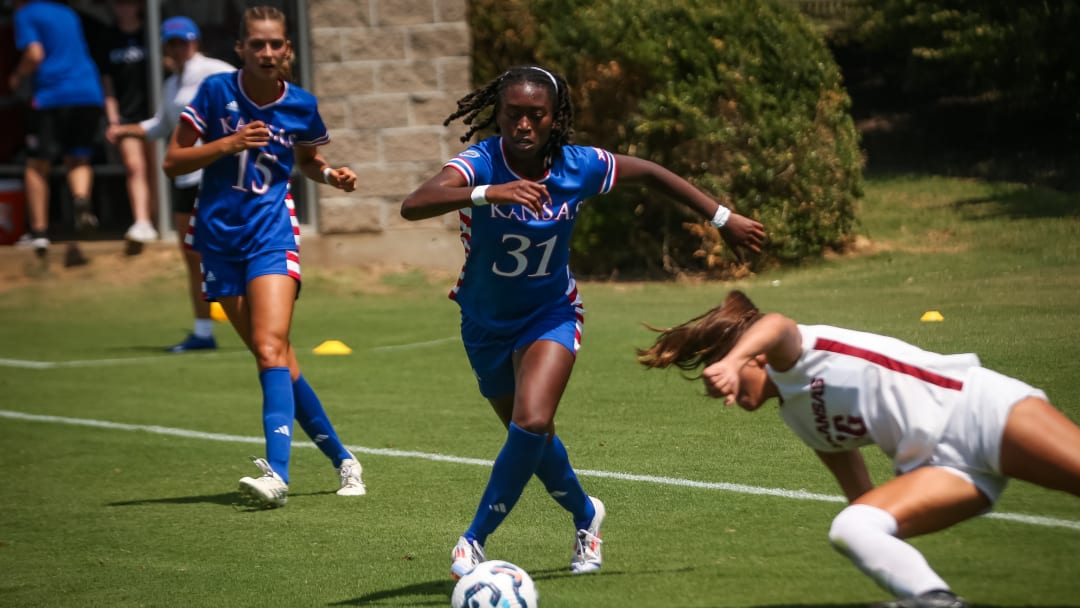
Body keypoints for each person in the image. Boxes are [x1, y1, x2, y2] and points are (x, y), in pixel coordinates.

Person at [399, 65, 766, 579]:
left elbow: (654, 173)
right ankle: (586, 514)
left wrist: (723, 219)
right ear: (497, 115)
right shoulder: (480, 163)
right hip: (483, 321)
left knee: (529, 421)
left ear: (555, 118)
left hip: (550, 313)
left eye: (536, 115)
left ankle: (473, 540)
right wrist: (490, 193)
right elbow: (414, 205)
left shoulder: (580, 166)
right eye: (513, 115)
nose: (523, 125)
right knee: (532, 435)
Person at [636, 290, 1080, 608]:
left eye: (719, 376)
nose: (719, 392)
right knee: (854, 526)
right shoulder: (797, 415)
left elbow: (775, 324)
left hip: (978, 410)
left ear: (754, 357)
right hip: (942, 469)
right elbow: (862, 499)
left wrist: (730, 362)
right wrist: (884, 542)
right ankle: (935, 600)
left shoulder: (795, 353)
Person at [162, 5, 365, 507]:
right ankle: (345, 459)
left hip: (271, 234)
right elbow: (172, 162)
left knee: (271, 347)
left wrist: (330, 175)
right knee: (277, 357)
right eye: (258, 44)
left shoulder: (301, 105)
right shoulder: (214, 94)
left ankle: (276, 473)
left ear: (288, 50)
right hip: (218, 239)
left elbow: (308, 161)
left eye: (276, 44)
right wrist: (227, 143)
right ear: (241, 50)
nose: (268, 52)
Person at [107, 16, 235, 352]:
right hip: (185, 176)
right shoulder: (170, 85)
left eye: (184, 41)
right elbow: (161, 126)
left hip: (215, 173)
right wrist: (125, 130)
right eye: (173, 43)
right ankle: (203, 332)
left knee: (230, 250)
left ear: (195, 41)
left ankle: (261, 321)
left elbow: (243, 107)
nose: (179, 48)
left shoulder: (215, 70)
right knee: (192, 256)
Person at [9, 0, 105, 267]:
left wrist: (17, 76)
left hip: (52, 95)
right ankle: (81, 200)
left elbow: (34, 54)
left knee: (37, 164)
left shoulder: (25, 13)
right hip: (88, 92)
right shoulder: (68, 12)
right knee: (79, 158)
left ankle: (39, 233)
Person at [92, 0, 158, 246]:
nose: (123, 8)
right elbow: (107, 83)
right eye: (118, 4)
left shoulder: (151, 33)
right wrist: (113, 118)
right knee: (134, 166)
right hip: (127, 116)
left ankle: (158, 219)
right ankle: (142, 221)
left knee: (156, 168)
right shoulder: (108, 38)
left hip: (155, 113)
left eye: (128, 3)